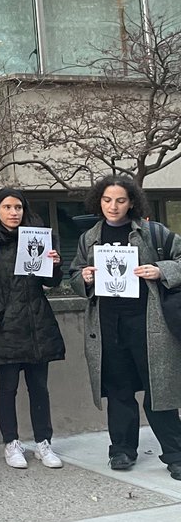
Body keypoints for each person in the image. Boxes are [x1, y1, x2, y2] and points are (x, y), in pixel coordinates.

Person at [69, 175, 181, 478]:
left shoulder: (153, 233)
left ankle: (175, 454)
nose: (113, 206)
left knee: (160, 391)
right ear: (99, 201)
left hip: (149, 324)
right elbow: (75, 275)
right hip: (107, 326)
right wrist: (85, 279)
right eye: (107, 200)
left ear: (132, 201)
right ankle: (121, 450)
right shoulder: (88, 237)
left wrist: (160, 270)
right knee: (118, 391)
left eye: (120, 200)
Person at [0, 187, 65, 469]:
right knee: (7, 388)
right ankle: (11, 443)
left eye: (18, 207)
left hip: (37, 325)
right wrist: (0, 314)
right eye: (7, 207)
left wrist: (55, 265)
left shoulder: (38, 236)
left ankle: (44, 442)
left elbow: (52, 282)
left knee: (39, 388)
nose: (13, 213)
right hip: (5, 328)